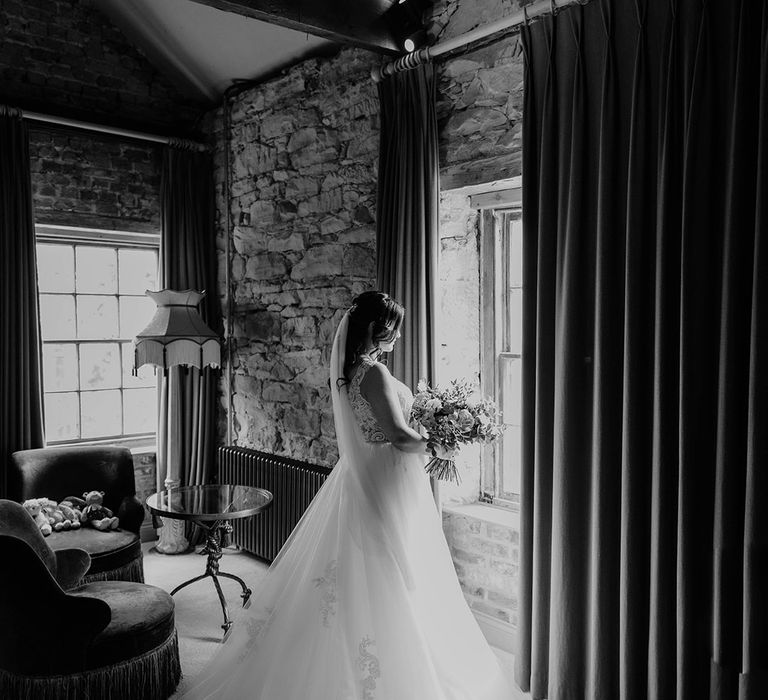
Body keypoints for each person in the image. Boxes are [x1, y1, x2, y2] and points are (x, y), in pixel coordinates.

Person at [183, 291, 512, 699]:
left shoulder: (350, 370)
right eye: (393, 327)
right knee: (391, 563)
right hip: (387, 477)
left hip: (369, 474)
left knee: (372, 560)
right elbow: (396, 434)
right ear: (377, 328)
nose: (397, 335)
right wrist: (438, 441)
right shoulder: (373, 373)